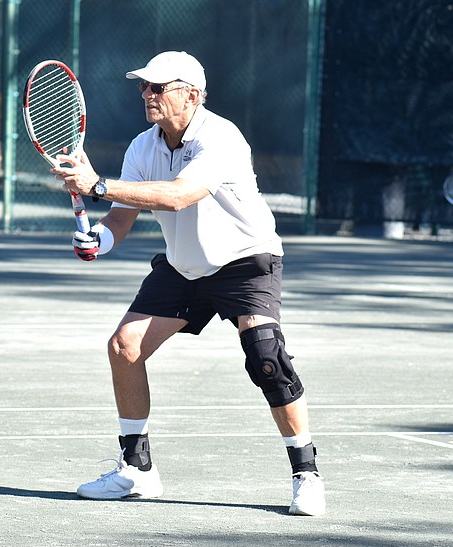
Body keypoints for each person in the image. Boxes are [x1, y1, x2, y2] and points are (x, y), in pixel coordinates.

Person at [51, 51, 326, 516]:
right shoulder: (143, 146)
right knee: (125, 346)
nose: (147, 95)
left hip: (244, 261)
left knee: (266, 358)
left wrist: (97, 184)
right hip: (184, 266)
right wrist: (97, 238)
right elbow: (121, 218)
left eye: (158, 88)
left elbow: (179, 196)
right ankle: (136, 470)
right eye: (143, 87)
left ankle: (306, 474)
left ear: (191, 95)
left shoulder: (221, 138)